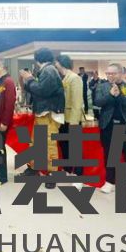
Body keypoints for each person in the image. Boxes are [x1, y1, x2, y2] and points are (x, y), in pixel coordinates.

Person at [20, 48, 65, 189]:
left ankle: (52, 174)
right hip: (43, 112)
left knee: (49, 144)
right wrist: (28, 80)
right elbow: (39, 89)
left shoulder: (49, 70)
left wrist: (29, 78)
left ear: (37, 59)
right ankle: (34, 168)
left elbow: (42, 90)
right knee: (37, 143)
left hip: (49, 113)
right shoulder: (48, 70)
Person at [94, 63, 126, 199]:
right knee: (110, 155)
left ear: (121, 74)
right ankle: (110, 182)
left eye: (113, 73)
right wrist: (110, 95)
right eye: (108, 73)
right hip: (108, 125)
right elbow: (98, 102)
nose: (110, 76)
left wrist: (120, 96)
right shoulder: (102, 87)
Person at [55, 55, 86, 183]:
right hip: (62, 118)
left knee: (75, 148)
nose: (55, 65)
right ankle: (67, 169)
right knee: (64, 145)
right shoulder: (63, 78)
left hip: (72, 119)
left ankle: (78, 174)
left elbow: (77, 102)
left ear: (61, 63)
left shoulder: (74, 78)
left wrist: (74, 122)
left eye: (56, 62)